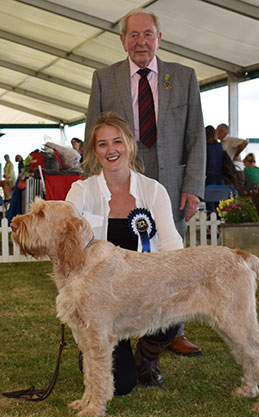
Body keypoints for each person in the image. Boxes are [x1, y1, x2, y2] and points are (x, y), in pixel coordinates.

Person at [84, 7, 206, 356]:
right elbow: (93, 131)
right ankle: (120, 320)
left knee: (171, 255)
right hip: (120, 178)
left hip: (172, 180)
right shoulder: (104, 78)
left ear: (159, 38)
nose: (141, 42)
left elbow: (196, 133)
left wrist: (192, 185)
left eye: (147, 34)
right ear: (123, 41)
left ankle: (171, 330)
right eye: (133, 35)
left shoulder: (183, 76)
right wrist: (94, 185)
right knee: (122, 255)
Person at [66, 112, 184, 393]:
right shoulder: (81, 191)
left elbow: (172, 248)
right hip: (102, 305)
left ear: (130, 144)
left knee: (179, 297)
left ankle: (147, 356)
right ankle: (98, 346)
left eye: (117, 141)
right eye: (102, 144)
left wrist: (171, 284)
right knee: (120, 386)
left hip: (144, 294)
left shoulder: (153, 191)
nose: (111, 150)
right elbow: (64, 232)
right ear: (94, 151)